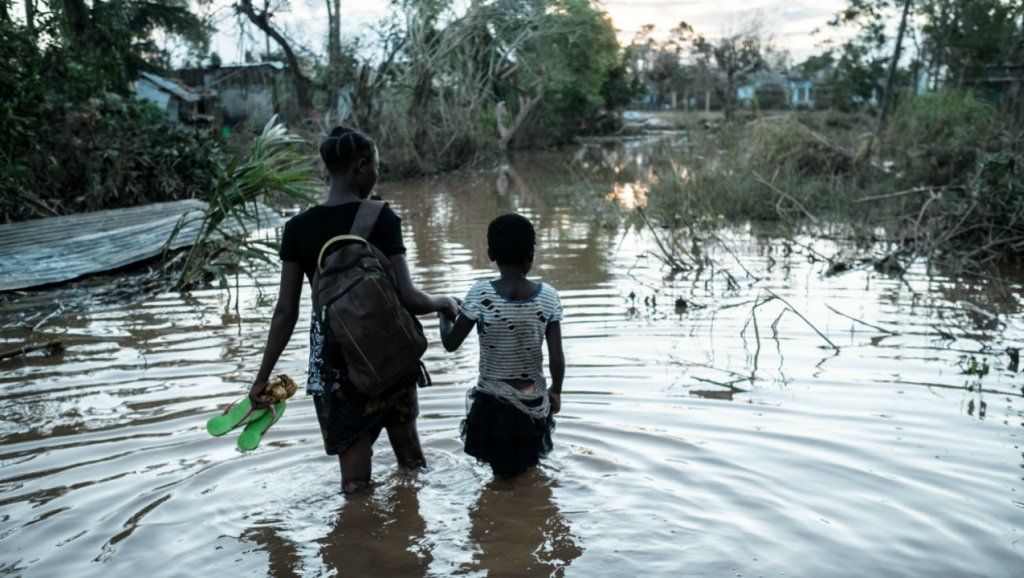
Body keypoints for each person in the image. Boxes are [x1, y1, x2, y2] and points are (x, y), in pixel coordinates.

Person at [249, 126, 459, 493]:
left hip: (336, 364)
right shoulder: (381, 216)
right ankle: (412, 524)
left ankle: (357, 530)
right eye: (376, 166)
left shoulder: (297, 228)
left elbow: (285, 312)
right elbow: (410, 298)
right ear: (361, 166)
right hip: (390, 355)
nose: (377, 173)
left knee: (355, 483)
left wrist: (261, 377)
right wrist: (444, 302)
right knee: (411, 464)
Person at [439, 213, 565, 477]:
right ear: (531, 254)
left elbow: (451, 343)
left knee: (500, 479)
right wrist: (556, 391)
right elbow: (556, 358)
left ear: (490, 254)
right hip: (533, 405)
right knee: (530, 473)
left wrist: (444, 313)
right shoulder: (549, 297)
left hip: (492, 407)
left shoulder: (480, 294)